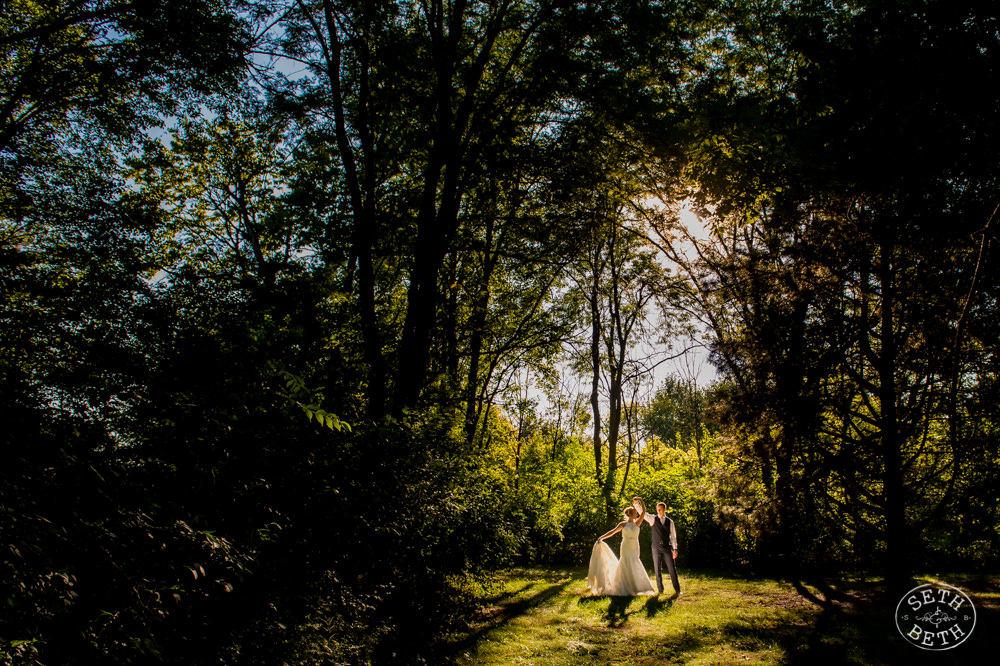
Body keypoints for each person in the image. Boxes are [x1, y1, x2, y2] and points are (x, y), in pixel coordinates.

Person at [586, 499, 656, 596]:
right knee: (625, 562)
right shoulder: (623, 524)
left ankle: (636, 587)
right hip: (625, 546)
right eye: (635, 513)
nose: (637, 515)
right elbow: (612, 532)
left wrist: (640, 500)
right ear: (630, 514)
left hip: (634, 547)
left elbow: (644, 511)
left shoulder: (637, 523)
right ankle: (624, 586)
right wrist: (602, 537)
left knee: (634, 562)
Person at [634, 497, 681, 596]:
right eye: (657, 509)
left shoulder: (670, 521)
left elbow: (673, 536)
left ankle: (677, 589)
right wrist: (636, 504)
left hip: (667, 547)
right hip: (655, 547)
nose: (658, 511)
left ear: (664, 509)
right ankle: (660, 590)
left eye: (660, 509)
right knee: (657, 568)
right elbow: (642, 513)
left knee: (672, 568)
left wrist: (675, 549)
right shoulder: (652, 519)